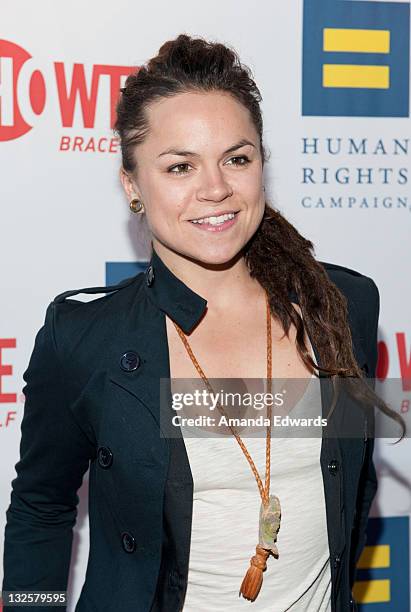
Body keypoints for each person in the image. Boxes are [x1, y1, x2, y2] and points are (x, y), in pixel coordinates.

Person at [2, 34, 405, 612]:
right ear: (133, 185)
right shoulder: (85, 338)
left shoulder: (343, 303)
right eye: (179, 166)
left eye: (237, 158)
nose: (215, 189)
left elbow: (352, 486)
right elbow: (42, 507)